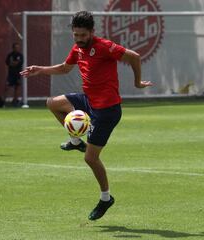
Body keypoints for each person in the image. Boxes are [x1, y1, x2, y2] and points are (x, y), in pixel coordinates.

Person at [20, 11, 152, 220]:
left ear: (92, 32)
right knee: (52, 103)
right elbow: (65, 68)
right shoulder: (77, 49)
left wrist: (137, 83)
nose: (79, 39)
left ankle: (106, 198)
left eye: (83, 35)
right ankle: (75, 140)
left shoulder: (104, 46)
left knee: (90, 158)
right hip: (89, 101)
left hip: (107, 111)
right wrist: (40, 70)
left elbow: (134, 56)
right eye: (76, 35)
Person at [4, 42, 23, 107]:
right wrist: (13, 63)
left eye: (18, 47)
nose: (17, 49)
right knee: (7, 87)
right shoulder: (10, 55)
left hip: (18, 74)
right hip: (11, 74)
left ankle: (15, 101)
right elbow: (7, 62)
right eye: (15, 47)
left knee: (17, 87)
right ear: (13, 48)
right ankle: (4, 101)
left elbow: (19, 63)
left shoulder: (20, 55)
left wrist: (13, 63)